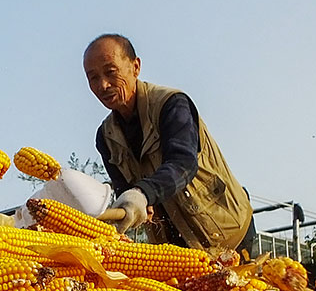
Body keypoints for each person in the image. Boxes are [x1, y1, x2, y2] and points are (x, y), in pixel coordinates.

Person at [83, 34, 255, 253]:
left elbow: (183, 164)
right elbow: (126, 192)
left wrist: (143, 193)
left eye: (111, 72)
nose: (103, 85)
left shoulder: (171, 105)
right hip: (175, 250)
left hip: (226, 233)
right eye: (93, 78)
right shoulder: (106, 137)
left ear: (135, 67)